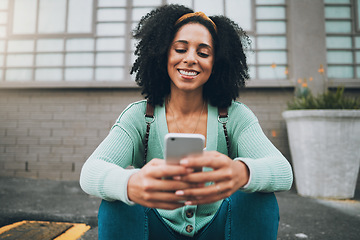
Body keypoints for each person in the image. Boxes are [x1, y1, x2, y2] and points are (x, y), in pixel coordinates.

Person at [80, 4, 293, 240]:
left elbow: (283, 171)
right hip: (156, 228)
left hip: (217, 229)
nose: (190, 59)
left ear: (216, 63)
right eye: (180, 49)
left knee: (257, 195)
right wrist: (131, 184)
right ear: (163, 54)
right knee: (117, 200)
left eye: (203, 53)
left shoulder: (234, 117)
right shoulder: (141, 116)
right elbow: (91, 171)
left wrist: (242, 172)